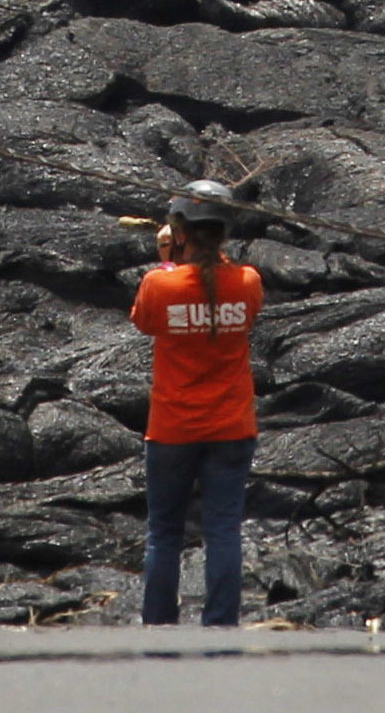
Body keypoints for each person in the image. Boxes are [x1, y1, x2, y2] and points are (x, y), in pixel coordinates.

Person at [129, 177, 264, 627]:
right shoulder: (248, 281)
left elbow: (144, 322)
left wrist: (169, 260)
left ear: (180, 229)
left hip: (172, 428)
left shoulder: (159, 283)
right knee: (223, 530)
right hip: (232, 426)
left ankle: (158, 627)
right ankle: (221, 627)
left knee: (164, 533)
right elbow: (242, 309)